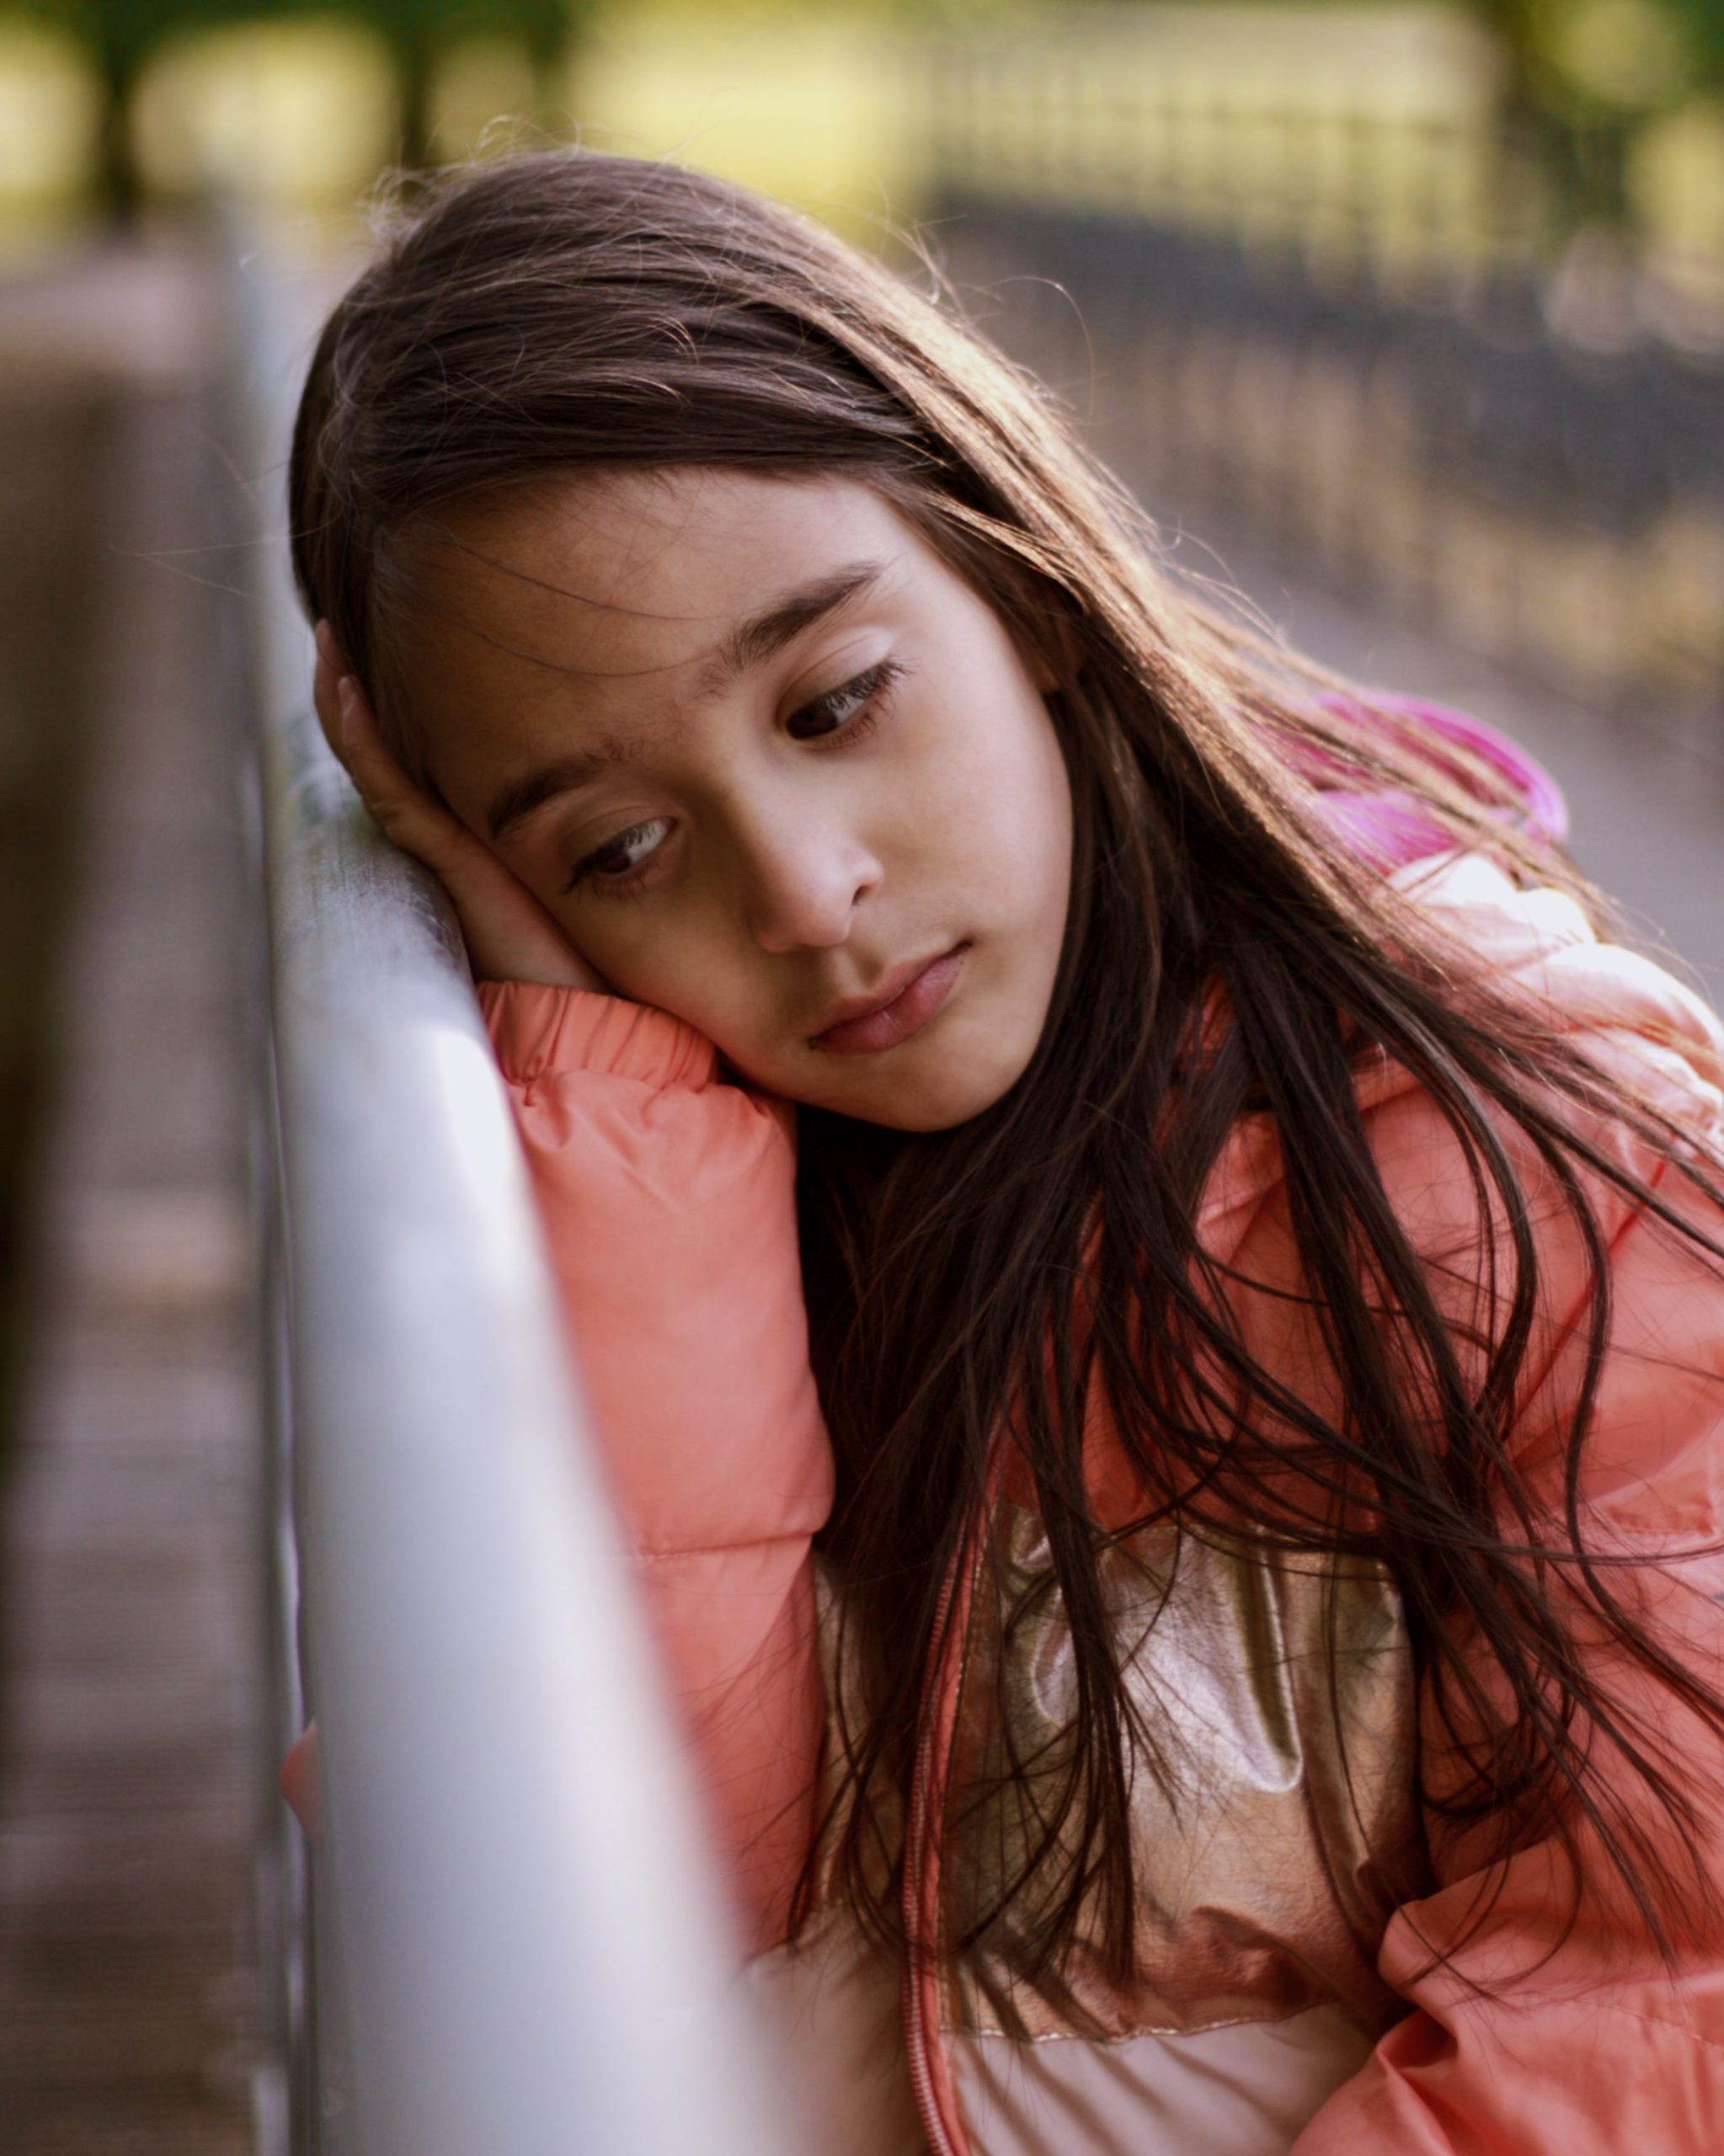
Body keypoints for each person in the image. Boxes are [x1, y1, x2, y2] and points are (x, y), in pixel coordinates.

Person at [282, 150, 1724, 2153]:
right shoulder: (749, 1170)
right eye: (617, 846)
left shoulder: (1524, 1156)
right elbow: (654, 1912)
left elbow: (1667, 1984)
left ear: (1022, 584)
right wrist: (609, 1108)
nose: (803, 891)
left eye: (837, 699)